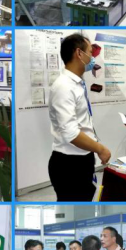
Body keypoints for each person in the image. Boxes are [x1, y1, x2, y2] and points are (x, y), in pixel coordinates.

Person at [48, 34, 111, 200]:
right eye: (90, 52)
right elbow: (71, 133)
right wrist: (100, 149)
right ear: (79, 53)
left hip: (82, 158)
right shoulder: (64, 87)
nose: (92, 57)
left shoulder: (77, 83)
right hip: (69, 164)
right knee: (74, 210)